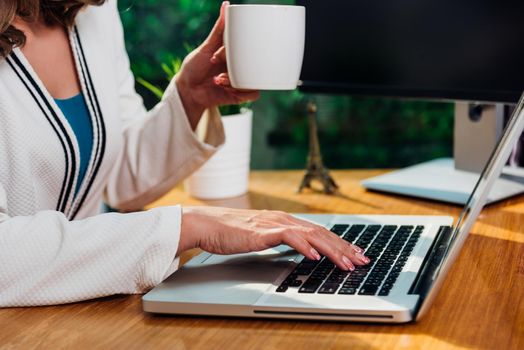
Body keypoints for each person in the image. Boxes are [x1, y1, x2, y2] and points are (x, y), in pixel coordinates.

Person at [0, 0, 369, 307]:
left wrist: (190, 99)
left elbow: (122, 180)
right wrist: (190, 226)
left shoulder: (93, 12)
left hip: (75, 318)